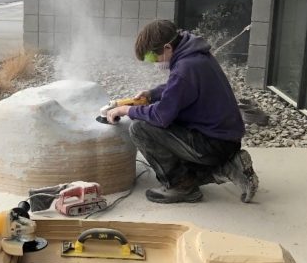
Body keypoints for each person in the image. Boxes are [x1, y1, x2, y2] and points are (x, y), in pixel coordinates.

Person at [105, 19, 258, 204]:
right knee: (165, 129)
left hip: (212, 144)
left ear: (168, 47)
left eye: (153, 58)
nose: (153, 63)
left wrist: (127, 110)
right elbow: (179, 88)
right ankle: (230, 166)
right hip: (225, 140)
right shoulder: (194, 55)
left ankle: (181, 187)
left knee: (140, 128)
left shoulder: (185, 69)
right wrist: (151, 94)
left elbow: (161, 116)